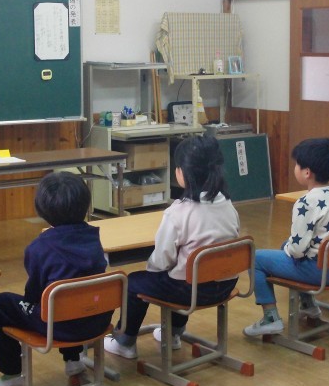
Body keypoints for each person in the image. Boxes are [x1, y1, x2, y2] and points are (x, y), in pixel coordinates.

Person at [103, 134, 240, 359]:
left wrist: (151, 267)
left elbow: (162, 261)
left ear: (183, 173)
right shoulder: (227, 204)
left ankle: (125, 342)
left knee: (135, 282)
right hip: (225, 284)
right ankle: (174, 334)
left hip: (191, 292)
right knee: (183, 273)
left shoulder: (178, 213)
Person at [0, 172, 110, 386]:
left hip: (60, 326)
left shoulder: (39, 247)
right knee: (72, 295)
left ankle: (12, 373)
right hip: (97, 320)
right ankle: (74, 363)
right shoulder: (93, 237)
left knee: (1, 304)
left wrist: (29, 304)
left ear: (41, 208)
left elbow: (34, 294)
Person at [243, 138, 329, 337]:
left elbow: (297, 251)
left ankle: (271, 318)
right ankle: (308, 305)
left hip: (318, 272)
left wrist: (287, 249)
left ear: (307, 172)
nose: (295, 168)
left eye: (297, 164)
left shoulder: (306, 202)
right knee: (285, 245)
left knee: (254, 258)